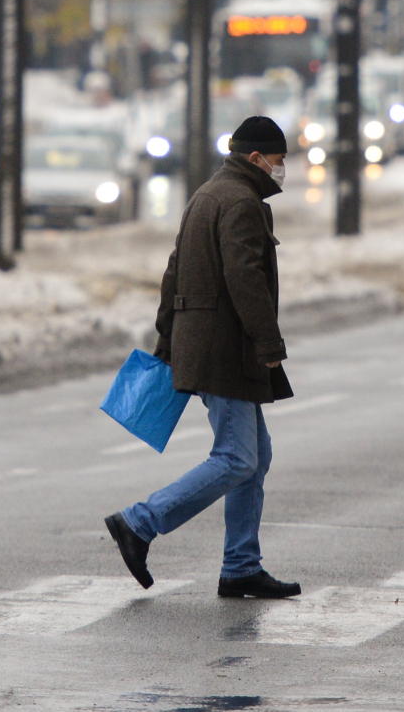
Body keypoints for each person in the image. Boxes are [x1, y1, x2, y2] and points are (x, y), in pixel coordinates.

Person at [105, 115, 300, 599]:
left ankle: (240, 566)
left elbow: (175, 271)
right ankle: (140, 522)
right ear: (255, 158)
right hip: (225, 350)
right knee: (237, 458)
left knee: (255, 456)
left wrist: (168, 339)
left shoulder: (209, 194)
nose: (282, 169)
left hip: (207, 343)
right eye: (278, 160)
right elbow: (245, 279)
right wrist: (269, 344)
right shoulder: (240, 202)